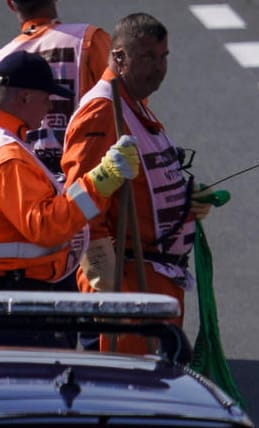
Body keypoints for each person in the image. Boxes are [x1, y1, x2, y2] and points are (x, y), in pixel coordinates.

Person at [61, 13, 210, 351]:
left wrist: (187, 200)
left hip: (156, 279)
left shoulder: (136, 107)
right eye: (146, 57)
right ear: (119, 57)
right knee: (128, 392)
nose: (158, 68)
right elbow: (78, 199)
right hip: (126, 283)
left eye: (163, 57)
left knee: (154, 391)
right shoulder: (102, 111)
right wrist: (102, 269)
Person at [0, 49, 137, 328]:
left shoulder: (11, 146)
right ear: (25, 97)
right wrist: (100, 180)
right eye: (46, 99)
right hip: (18, 301)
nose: (49, 109)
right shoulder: (9, 156)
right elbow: (46, 226)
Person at [0, 1, 109, 177]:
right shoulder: (89, 38)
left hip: (29, 183)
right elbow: (126, 105)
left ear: (11, 4)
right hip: (94, 179)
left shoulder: (3, 60)